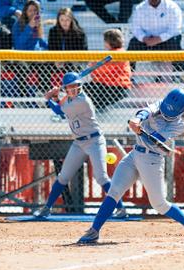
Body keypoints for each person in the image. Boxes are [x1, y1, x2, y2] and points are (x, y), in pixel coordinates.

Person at [77, 88, 184, 244]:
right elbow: (145, 111)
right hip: (134, 155)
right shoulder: (161, 104)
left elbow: (156, 139)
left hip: (152, 160)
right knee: (114, 191)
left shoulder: (179, 124)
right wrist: (137, 119)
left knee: (159, 204)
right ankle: (94, 231)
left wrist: (141, 132)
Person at [32, 72, 127, 218]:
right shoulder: (69, 100)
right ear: (66, 88)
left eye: (76, 85)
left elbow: (58, 111)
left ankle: (121, 209)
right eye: (71, 86)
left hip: (94, 141)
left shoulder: (83, 101)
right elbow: (61, 105)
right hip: (79, 143)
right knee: (63, 177)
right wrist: (56, 96)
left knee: (101, 177)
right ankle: (46, 209)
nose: (74, 88)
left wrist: (48, 99)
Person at [127, 0, 183, 72]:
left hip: (166, 40)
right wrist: (144, 38)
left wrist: (159, 39)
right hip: (147, 41)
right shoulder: (140, 8)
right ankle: (128, 76)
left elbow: (175, 29)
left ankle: (178, 76)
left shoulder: (172, 7)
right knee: (133, 44)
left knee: (175, 43)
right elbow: (135, 28)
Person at [83, 29, 131, 110]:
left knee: (83, 90)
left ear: (110, 41)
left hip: (116, 87)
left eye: (105, 40)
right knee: (85, 89)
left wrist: (93, 65)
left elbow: (103, 69)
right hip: (108, 86)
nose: (104, 43)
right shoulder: (113, 52)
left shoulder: (118, 53)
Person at [12, 0, 48, 97]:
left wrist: (53, 48)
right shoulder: (18, 24)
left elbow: (41, 41)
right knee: (22, 68)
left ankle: (43, 93)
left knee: (46, 65)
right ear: (25, 12)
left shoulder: (38, 24)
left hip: (36, 56)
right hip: (22, 57)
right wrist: (29, 27)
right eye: (30, 10)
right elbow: (19, 45)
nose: (33, 13)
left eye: (35, 10)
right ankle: (23, 96)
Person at [48, 7, 88, 87]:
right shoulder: (53, 31)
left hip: (74, 63)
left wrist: (66, 60)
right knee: (45, 67)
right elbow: (51, 49)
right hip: (57, 62)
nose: (64, 23)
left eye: (67, 20)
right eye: (62, 20)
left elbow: (83, 52)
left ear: (71, 20)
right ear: (58, 20)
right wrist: (56, 60)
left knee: (73, 68)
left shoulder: (80, 33)